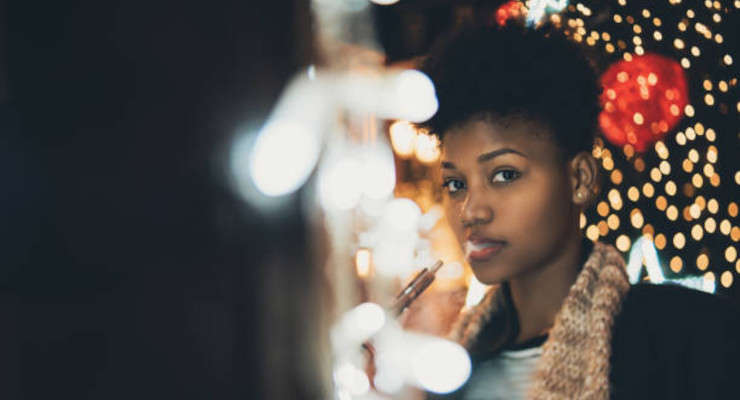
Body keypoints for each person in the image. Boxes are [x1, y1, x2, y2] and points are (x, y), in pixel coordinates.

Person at [416, 25, 740, 399]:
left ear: (579, 178)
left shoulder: (691, 338)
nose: (471, 210)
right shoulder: (450, 373)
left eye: (505, 175)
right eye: (455, 184)